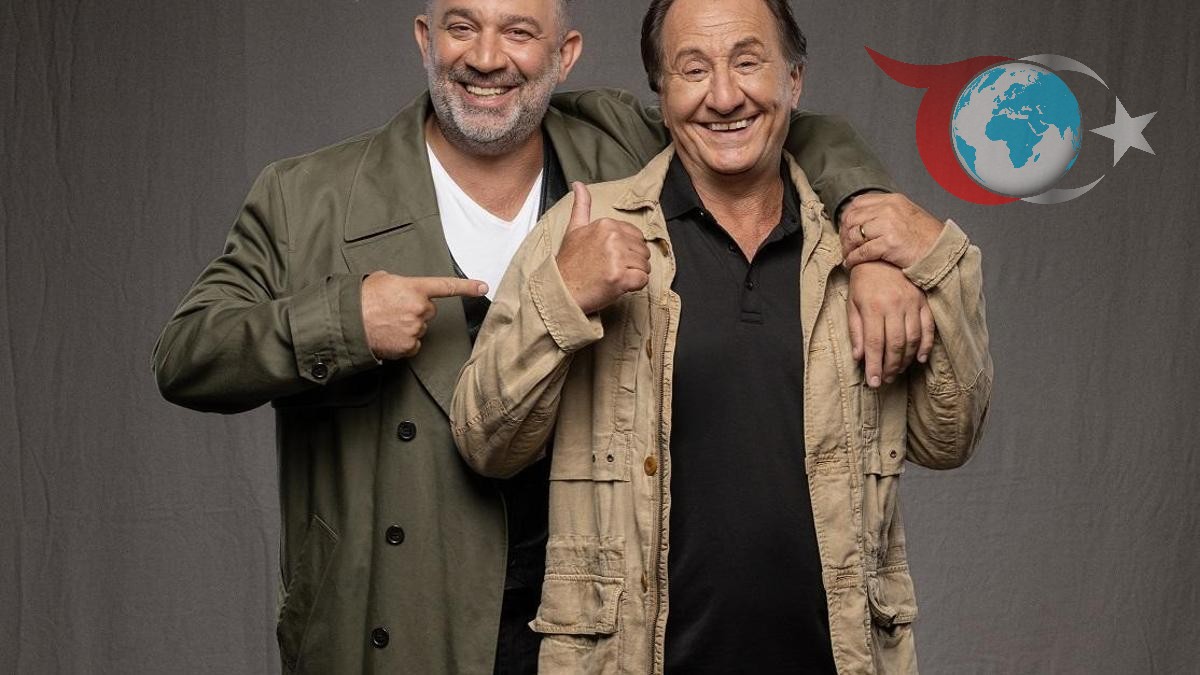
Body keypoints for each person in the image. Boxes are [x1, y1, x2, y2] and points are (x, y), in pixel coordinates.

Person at [153, 0, 933, 672]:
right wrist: (343, 319)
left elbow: (788, 130)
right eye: (463, 27)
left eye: (520, 32)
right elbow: (187, 353)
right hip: (405, 614)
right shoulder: (310, 196)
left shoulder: (623, 147)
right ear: (425, 39)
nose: (487, 58)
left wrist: (868, 237)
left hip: (601, 625)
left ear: (565, 54)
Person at [450, 0, 993, 672]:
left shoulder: (863, 248)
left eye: (747, 62)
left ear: (794, 80)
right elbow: (486, 442)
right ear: (662, 93)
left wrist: (942, 260)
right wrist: (562, 296)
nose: (725, 96)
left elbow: (948, 439)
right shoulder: (584, 228)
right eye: (693, 69)